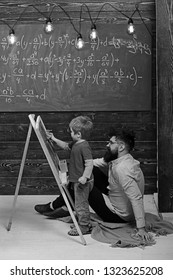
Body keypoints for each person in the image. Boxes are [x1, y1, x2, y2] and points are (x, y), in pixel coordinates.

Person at [35, 127, 152, 241]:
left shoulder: (123, 169)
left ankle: (56, 206)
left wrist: (141, 228)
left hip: (117, 216)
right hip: (115, 195)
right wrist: (80, 165)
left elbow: (136, 198)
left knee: (82, 184)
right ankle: (63, 205)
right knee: (89, 171)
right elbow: (95, 163)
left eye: (111, 143)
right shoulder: (122, 158)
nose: (107, 145)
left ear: (121, 147)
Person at [45, 115, 94, 236]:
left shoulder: (84, 146)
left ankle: (83, 227)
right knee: (78, 203)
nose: (70, 133)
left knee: (81, 204)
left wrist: (84, 177)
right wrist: (54, 139)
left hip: (83, 182)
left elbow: (90, 164)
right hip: (77, 180)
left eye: (71, 131)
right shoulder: (76, 143)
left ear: (79, 134)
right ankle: (84, 222)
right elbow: (66, 146)